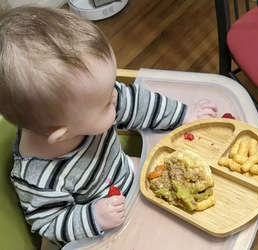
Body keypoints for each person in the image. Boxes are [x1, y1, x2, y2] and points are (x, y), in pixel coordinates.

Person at [0, 7, 217, 246]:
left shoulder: (94, 104)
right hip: (99, 230)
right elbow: (50, 223)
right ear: (63, 134)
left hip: (123, 174)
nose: (116, 95)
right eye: (106, 103)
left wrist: (182, 114)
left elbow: (136, 104)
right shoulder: (38, 180)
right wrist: (94, 217)